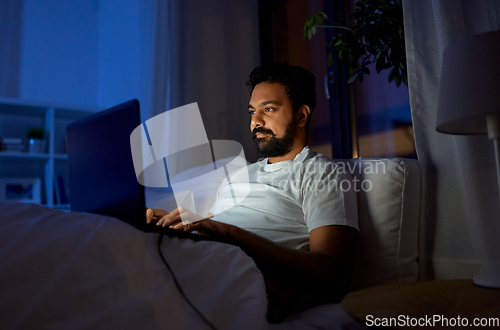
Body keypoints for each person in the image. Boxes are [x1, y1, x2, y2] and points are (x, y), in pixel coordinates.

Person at [146, 62, 359, 322]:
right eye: (252, 112)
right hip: (201, 264)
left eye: (268, 109)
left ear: (301, 116)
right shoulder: (239, 175)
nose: (255, 122)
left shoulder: (321, 173)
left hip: (250, 289)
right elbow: (212, 229)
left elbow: (332, 278)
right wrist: (169, 223)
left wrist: (228, 232)